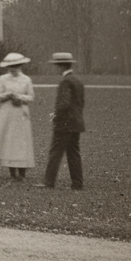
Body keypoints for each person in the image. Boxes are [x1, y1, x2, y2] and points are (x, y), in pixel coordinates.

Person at [37, 52, 85, 190]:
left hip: (64, 124)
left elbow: (63, 104)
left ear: (60, 66)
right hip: (76, 122)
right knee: (73, 152)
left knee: (55, 152)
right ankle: (77, 183)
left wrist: (55, 116)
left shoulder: (65, 82)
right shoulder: (77, 80)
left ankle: (48, 181)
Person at [0, 52, 35, 181]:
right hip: (7, 112)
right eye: (10, 67)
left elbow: (31, 97)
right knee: (9, 139)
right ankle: (12, 172)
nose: (13, 69)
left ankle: (22, 173)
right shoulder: (3, 79)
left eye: (15, 66)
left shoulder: (26, 79)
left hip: (20, 112)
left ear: (20, 66)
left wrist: (20, 97)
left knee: (21, 141)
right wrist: (8, 94)